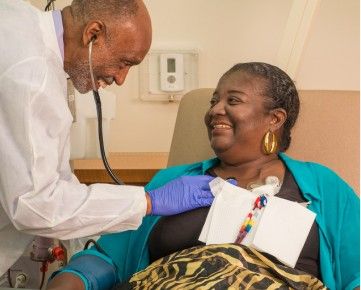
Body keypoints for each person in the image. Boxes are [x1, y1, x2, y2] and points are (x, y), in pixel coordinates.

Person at [48, 62, 360, 290]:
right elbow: (108, 258)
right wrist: (73, 279)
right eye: (214, 101)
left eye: (232, 101)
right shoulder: (170, 185)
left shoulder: (323, 187)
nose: (215, 110)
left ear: (274, 119)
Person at [0, 0, 216, 276]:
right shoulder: (33, 79)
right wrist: (148, 202)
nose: (121, 78)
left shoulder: (15, 18)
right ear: (92, 34)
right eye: (124, 62)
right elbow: (35, 205)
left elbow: (50, 177)